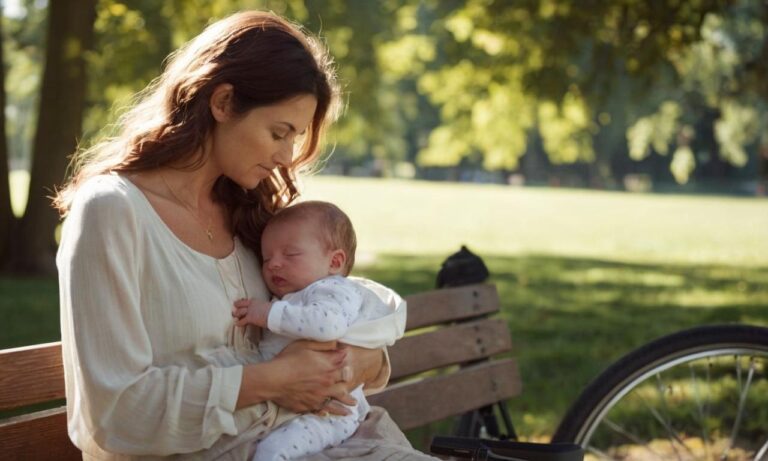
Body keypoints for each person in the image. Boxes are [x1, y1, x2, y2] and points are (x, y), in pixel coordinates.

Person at [54, 10, 436, 460]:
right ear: (224, 102)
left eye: (295, 137)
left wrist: (358, 362)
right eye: (279, 133)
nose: (286, 156)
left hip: (317, 438)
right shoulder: (114, 211)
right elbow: (117, 413)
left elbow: (347, 313)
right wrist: (275, 380)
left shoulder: (253, 214)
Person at [226, 201, 406, 460]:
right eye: (267, 258)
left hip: (330, 415)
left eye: (290, 255)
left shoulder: (333, 290)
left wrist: (267, 314)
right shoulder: (300, 293)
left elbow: (327, 325)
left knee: (273, 452)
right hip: (293, 405)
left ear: (334, 261)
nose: (274, 264)